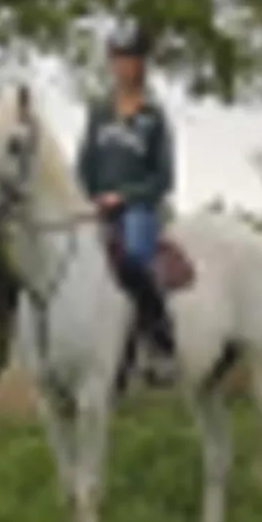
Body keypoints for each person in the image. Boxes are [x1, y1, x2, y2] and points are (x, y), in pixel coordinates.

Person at [75, 21, 178, 384]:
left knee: (133, 258)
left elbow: (164, 179)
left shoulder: (154, 117)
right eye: (116, 58)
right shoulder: (98, 112)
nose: (121, 66)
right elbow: (85, 165)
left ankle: (160, 339)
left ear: (142, 64)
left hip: (139, 209)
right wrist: (89, 197)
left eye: (129, 58)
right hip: (97, 207)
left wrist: (124, 196)